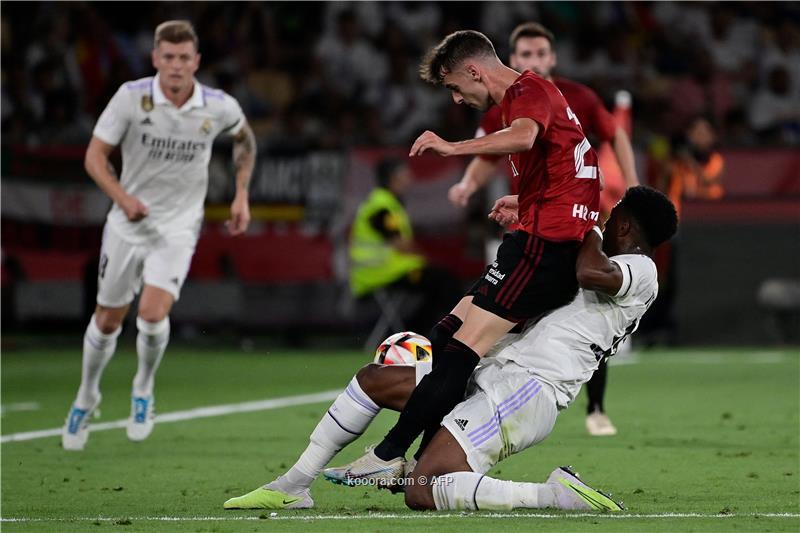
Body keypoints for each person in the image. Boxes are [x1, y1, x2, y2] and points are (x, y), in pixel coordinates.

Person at [222, 186, 678, 511]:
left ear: (624, 223)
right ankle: (293, 485)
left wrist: (584, 222)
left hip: (525, 391)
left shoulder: (641, 269)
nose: (603, 219)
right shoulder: (604, 255)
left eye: (611, 215)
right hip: (492, 370)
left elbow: (590, 273)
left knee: (422, 489)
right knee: (375, 380)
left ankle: (552, 495)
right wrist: (537, 211)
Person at [323, 29, 602, 484]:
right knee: (445, 336)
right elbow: (570, 168)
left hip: (543, 249)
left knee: (459, 353)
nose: (456, 98)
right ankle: (416, 460)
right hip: (540, 238)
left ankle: (392, 453)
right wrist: (525, 201)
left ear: (474, 70)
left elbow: (524, 138)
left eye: (454, 86)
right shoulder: (531, 95)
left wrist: (452, 148)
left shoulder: (526, 92)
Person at [61, 20, 256, 451]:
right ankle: (87, 395)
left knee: (151, 314)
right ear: (155, 58)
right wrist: (123, 198)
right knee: (107, 320)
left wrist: (242, 194)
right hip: (127, 222)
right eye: (168, 57)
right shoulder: (131, 98)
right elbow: (94, 157)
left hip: (178, 226)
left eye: (184, 57)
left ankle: (143, 388)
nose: (176, 65)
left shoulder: (217, 105)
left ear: (196, 61)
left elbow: (245, 140)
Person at [448, 22, 640, 437]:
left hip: (575, 218)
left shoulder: (578, 96)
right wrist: (467, 184)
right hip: (526, 220)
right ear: (511, 59)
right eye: (525, 54)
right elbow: (488, 153)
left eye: (539, 54)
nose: (532, 60)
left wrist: (632, 185)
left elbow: (616, 135)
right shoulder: (500, 101)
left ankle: (595, 407)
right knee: (508, 318)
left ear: (552, 58)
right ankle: (479, 398)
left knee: (589, 309)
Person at [349, 158, 461, 334]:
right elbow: (400, 244)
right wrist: (423, 256)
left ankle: (419, 331)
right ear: (392, 178)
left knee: (440, 283)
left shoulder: (385, 202)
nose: (409, 179)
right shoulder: (381, 207)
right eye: (405, 175)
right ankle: (438, 332)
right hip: (382, 273)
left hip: (387, 271)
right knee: (444, 282)